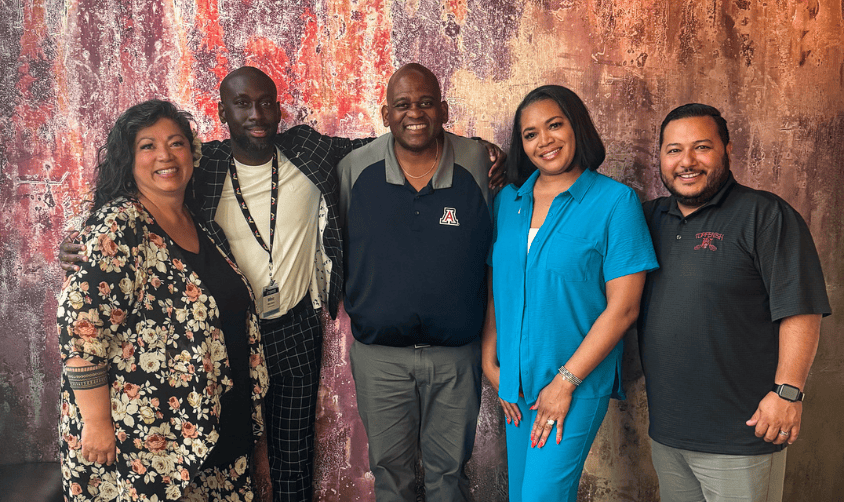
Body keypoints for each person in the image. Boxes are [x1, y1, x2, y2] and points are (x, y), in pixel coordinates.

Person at [60, 66, 504, 502]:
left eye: (266, 103)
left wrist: (474, 149)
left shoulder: (308, 151)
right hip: (228, 337)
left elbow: (392, 142)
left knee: (293, 459)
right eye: (242, 104)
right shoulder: (200, 168)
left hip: (295, 329)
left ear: (279, 109)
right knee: (224, 449)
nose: (256, 114)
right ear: (221, 113)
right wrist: (81, 243)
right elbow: (134, 213)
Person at [58, 99, 269, 502]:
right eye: (147, 146)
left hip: (209, 432)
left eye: (175, 143)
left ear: (192, 154)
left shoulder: (199, 223)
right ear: (127, 159)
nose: (165, 156)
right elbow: (81, 328)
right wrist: (97, 422)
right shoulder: (120, 225)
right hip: (142, 441)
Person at [638, 103, 831, 502]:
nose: (686, 161)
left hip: (743, 433)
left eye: (701, 147)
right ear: (659, 157)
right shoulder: (646, 219)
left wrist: (788, 392)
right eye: (673, 150)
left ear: (727, 150)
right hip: (668, 433)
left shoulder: (765, 215)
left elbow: (801, 309)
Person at [481, 85, 659, 502]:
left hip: (573, 386)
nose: (544, 141)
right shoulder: (509, 200)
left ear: (576, 126)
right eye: (530, 134)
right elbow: (498, 284)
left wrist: (564, 383)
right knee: (522, 496)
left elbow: (624, 308)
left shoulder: (616, 202)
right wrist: (489, 358)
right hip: (514, 384)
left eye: (554, 125)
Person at [337, 63, 494, 501]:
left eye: (426, 102)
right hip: (380, 359)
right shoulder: (354, 169)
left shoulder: (478, 161)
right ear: (385, 113)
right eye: (403, 105)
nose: (415, 113)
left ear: (443, 109)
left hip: (456, 358)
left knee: (450, 476)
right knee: (391, 476)